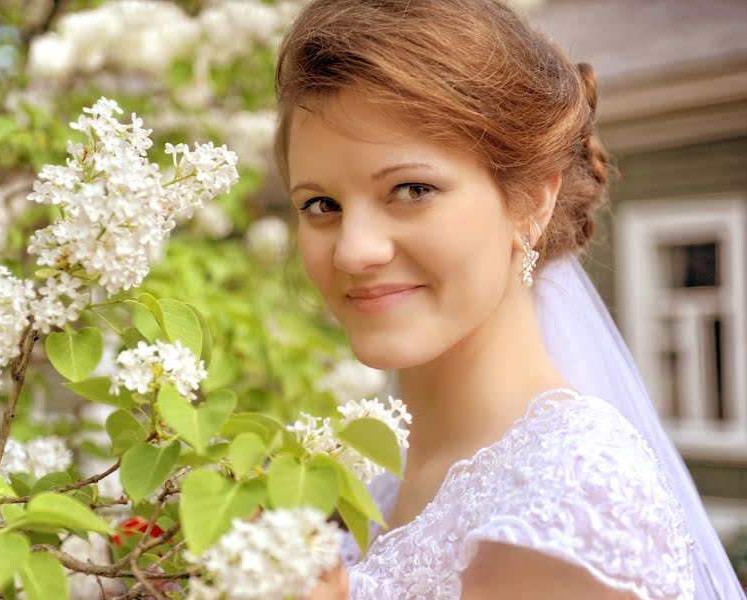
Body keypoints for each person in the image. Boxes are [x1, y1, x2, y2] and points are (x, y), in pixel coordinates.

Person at [272, 0, 746, 598]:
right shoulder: (374, 474)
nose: (352, 251)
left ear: (531, 202)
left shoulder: (564, 502)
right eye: (321, 205)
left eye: (411, 189)